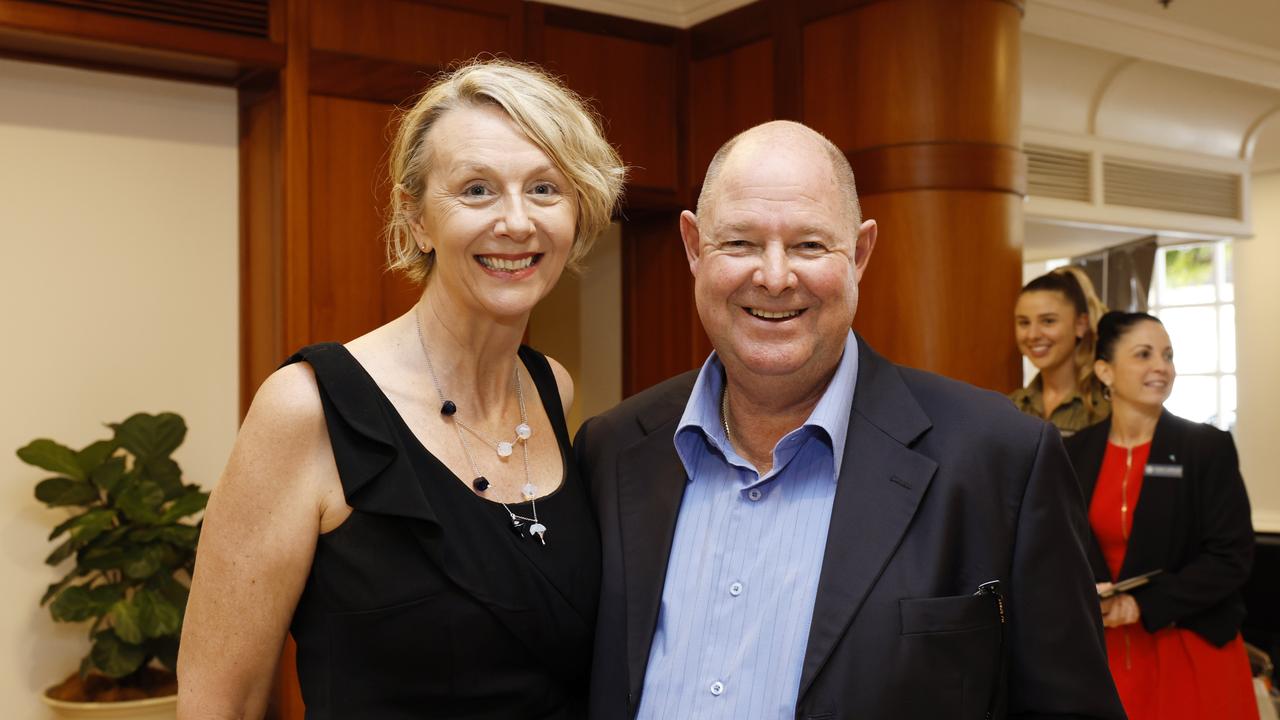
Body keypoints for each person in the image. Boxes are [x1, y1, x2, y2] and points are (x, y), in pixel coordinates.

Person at [576, 121, 1124, 719]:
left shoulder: (1001, 458)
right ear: (693, 247)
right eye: (739, 243)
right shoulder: (612, 450)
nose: (776, 276)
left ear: (859, 254)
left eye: (810, 245)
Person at [177, 59, 625, 719]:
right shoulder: (309, 409)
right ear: (416, 217)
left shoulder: (550, 389)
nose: (516, 222)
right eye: (476, 189)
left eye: (544, 188)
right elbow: (222, 704)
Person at [1064, 311, 1257, 720]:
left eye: (1167, 355)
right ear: (1105, 371)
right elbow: (1062, 543)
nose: (1162, 367)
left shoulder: (1205, 447)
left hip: (1189, 647)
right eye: (1144, 354)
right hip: (1105, 654)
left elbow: (1231, 557)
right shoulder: (1075, 452)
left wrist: (1140, 605)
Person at [1011, 266, 1109, 436]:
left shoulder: (1107, 408)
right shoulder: (1012, 407)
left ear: (1080, 325)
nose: (1033, 335)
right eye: (1024, 323)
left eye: (1048, 321)